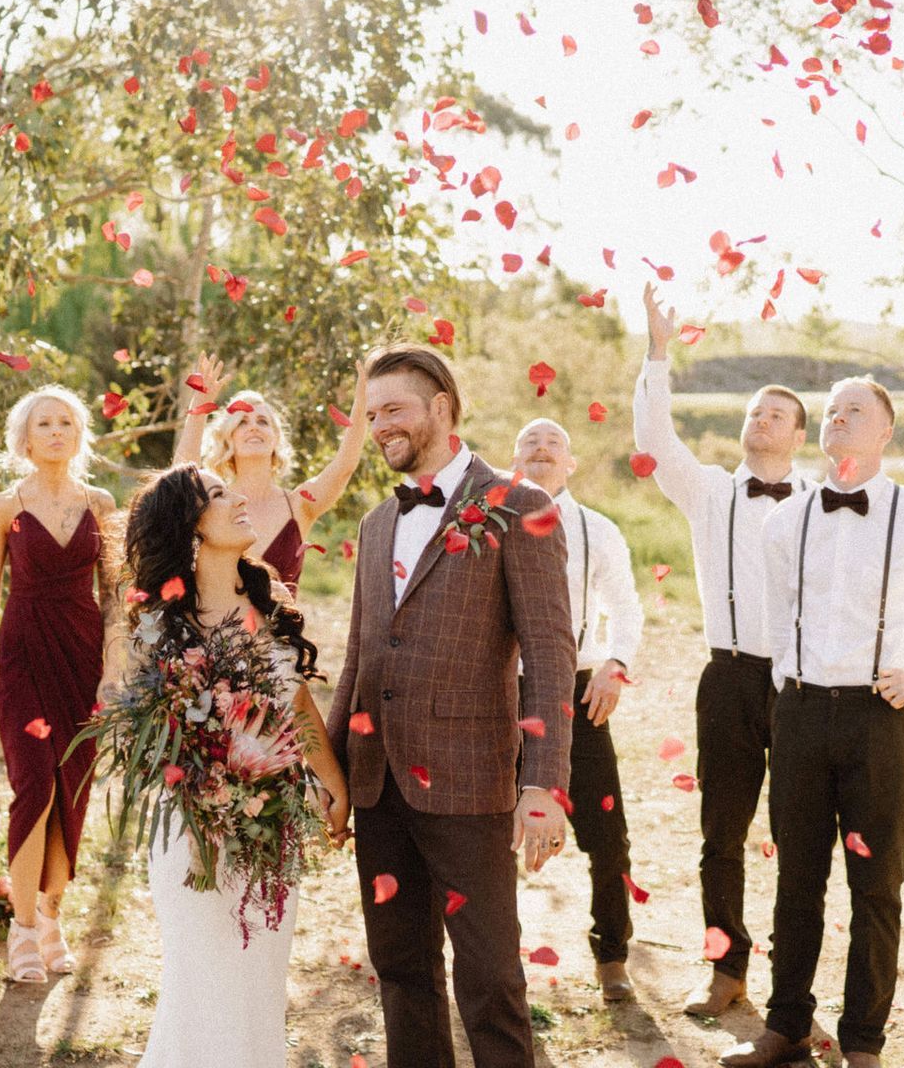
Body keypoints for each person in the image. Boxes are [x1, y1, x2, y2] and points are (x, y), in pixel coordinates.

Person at [720, 378, 904, 1068]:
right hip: (796, 714)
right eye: (831, 411)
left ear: (887, 432)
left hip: (879, 718)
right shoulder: (783, 520)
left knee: (876, 886)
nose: (838, 418)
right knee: (797, 879)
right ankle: (786, 1025)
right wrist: (785, 695)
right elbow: (773, 622)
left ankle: (863, 1042)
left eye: (856, 410)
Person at [327, 343, 577, 1068]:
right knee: (402, 971)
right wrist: (338, 773)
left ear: (440, 408)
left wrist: (543, 782)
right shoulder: (377, 523)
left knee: (491, 978)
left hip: (471, 780)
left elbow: (550, 652)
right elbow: (358, 657)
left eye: (394, 409)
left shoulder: (519, 505)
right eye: (372, 415)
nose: (380, 427)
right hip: (378, 785)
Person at [121, 464, 351, 1067]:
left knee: (258, 977)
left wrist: (332, 784)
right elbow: (148, 733)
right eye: (220, 495)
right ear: (190, 527)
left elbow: (295, 701)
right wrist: (208, 784)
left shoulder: (268, 598)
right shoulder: (160, 622)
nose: (240, 498)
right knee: (204, 980)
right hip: (192, 829)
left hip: (268, 820)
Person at [632, 283, 815, 1015]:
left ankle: (792, 987)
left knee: (800, 840)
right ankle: (727, 968)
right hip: (729, 679)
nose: (760, 419)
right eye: (753, 412)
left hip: (802, 685)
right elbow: (654, 440)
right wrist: (657, 350)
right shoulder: (708, 491)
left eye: (776, 414)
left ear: (799, 435)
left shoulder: (822, 505)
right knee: (721, 837)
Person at [0, 386, 119, 983]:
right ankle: (21, 928)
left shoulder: (102, 504)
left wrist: (114, 668)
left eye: (65, 423)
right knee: (35, 786)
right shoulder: (3, 507)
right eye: (43, 424)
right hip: (23, 656)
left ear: (79, 435)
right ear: (24, 439)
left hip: (82, 661)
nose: (56, 432)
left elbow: (116, 598)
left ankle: (51, 914)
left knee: (72, 790)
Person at [510, 417, 646, 1002]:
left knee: (607, 836)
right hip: (500, 693)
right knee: (487, 833)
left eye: (554, 443)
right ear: (513, 463)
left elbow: (628, 606)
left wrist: (617, 663)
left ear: (571, 464)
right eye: (530, 443)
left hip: (576, 688)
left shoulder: (598, 530)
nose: (542, 449)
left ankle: (611, 954)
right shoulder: (488, 523)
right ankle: (493, 958)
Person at [171, 352, 369, 589]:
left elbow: (343, 467)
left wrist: (364, 400)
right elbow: (179, 481)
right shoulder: (214, 503)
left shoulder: (299, 505)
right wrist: (199, 405)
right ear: (228, 439)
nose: (253, 427)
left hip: (281, 626)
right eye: (242, 422)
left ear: (276, 438)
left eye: (263, 422)